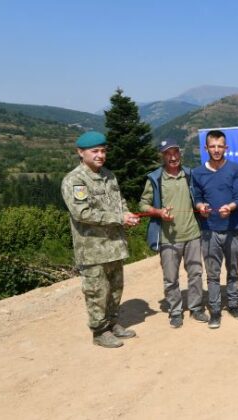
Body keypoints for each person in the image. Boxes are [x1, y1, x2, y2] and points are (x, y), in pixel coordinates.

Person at [60, 131, 140, 348]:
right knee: (97, 292)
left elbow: (119, 201)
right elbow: (82, 213)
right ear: (80, 152)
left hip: (114, 246)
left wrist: (128, 214)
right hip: (93, 249)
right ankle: (99, 332)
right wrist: (119, 218)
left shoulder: (109, 176)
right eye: (95, 151)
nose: (100, 155)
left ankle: (113, 323)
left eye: (103, 151)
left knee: (115, 289)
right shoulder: (75, 180)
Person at [139, 138, 207, 328]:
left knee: (195, 274)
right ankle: (175, 311)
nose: (173, 157)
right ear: (162, 156)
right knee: (171, 278)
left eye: (175, 152)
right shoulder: (155, 178)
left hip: (193, 234)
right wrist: (158, 212)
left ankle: (196, 308)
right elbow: (143, 204)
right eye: (168, 154)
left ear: (180, 153)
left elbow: (199, 197)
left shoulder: (189, 175)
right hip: (168, 238)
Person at [192, 130, 238, 329]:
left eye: (219, 146)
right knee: (213, 274)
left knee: (233, 271)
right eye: (212, 146)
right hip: (209, 231)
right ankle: (215, 310)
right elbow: (197, 198)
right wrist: (200, 207)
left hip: (232, 228)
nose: (216, 150)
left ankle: (233, 304)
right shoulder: (198, 173)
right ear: (205, 148)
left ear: (226, 148)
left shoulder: (235, 169)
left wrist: (231, 207)